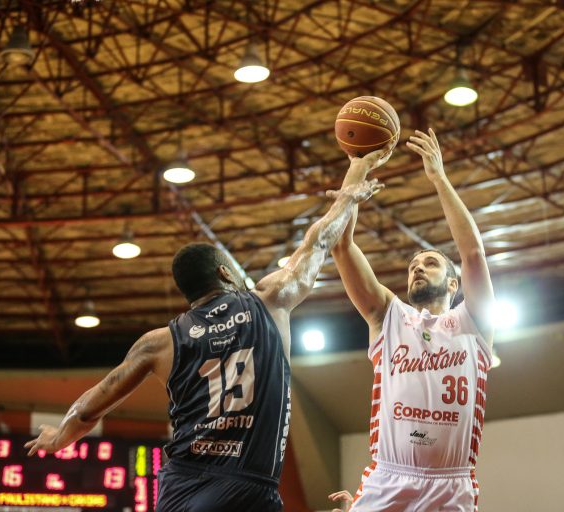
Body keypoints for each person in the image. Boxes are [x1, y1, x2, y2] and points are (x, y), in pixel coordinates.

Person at [23, 152, 389, 512]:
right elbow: (319, 241)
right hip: (246, 486)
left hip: (180, 485)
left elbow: (91, 406)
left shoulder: (159, 342)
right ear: (225, 273)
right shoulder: (269, 300)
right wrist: (352, 184)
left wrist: (59, 438)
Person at [329, 128, 495, 512]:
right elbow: (341, 245)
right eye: (412, 266)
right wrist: (357, 169)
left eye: (430, 263)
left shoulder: (474, 322)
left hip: (451, 484)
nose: (417, 268)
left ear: (453, 283)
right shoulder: (389, 316)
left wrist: (438, 178)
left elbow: (473, 253)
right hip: (388, 479)